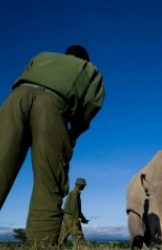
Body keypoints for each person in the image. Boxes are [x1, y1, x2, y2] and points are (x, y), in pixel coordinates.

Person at [0, 45, 104, 247]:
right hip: (54, 105)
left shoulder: (42, 56)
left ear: (66, 55)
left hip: (16, 99)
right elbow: (91, 106)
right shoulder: (90, 69)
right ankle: (42, 244)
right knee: (49, 183)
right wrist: (73, 133)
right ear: (85, 59)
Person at [58, 178, 89, 245]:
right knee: (78, 235)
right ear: (78, 185)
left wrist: (83, 219)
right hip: (71, 216)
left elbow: (77, 209)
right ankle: (83, 247)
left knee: (62, 236)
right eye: (83, 185)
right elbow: (74, 208)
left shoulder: (75, 193)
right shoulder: (74, 193)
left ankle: (58, 247)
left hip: (68, 216)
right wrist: (76, 219)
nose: (84, 187)